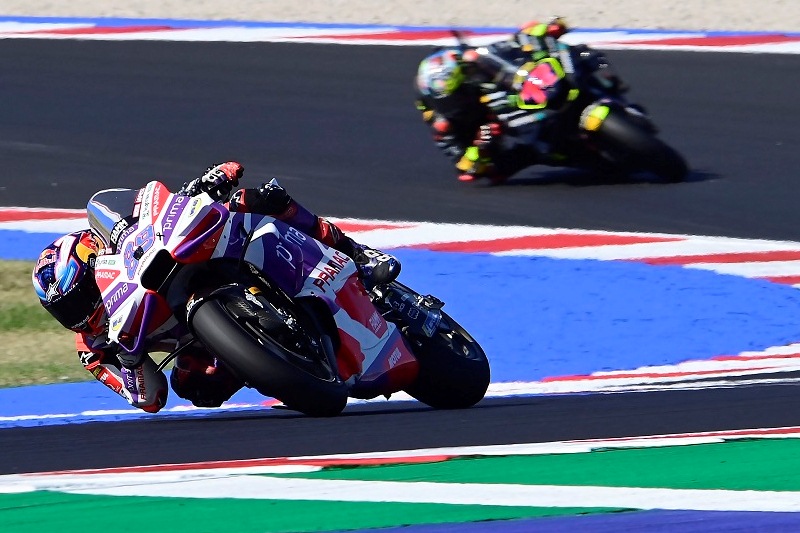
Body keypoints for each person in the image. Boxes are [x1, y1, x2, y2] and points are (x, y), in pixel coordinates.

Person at [31, 161, 401, 413]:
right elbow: (148, 396)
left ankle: (357, 252)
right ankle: (285, 368)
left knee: (257, 199)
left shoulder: (116, 240)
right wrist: (129, 361)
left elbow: (152, 207)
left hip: (193, 260)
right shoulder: (93, 349)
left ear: (93, 260)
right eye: (64, 311)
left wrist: (205, 184)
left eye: (80, 297)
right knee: (194, 387)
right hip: (203, 341)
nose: (78, 314)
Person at [414, 17, 572, 184]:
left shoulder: (471, 65)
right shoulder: (443, 126)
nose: (456, 102)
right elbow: (464, 170)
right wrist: (480, 147)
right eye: (452, 98)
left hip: (521, 94)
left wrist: (532, 34)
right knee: (498, 170)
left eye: (459, 93)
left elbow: (505, 48)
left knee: (545, 46)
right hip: (501, 131)